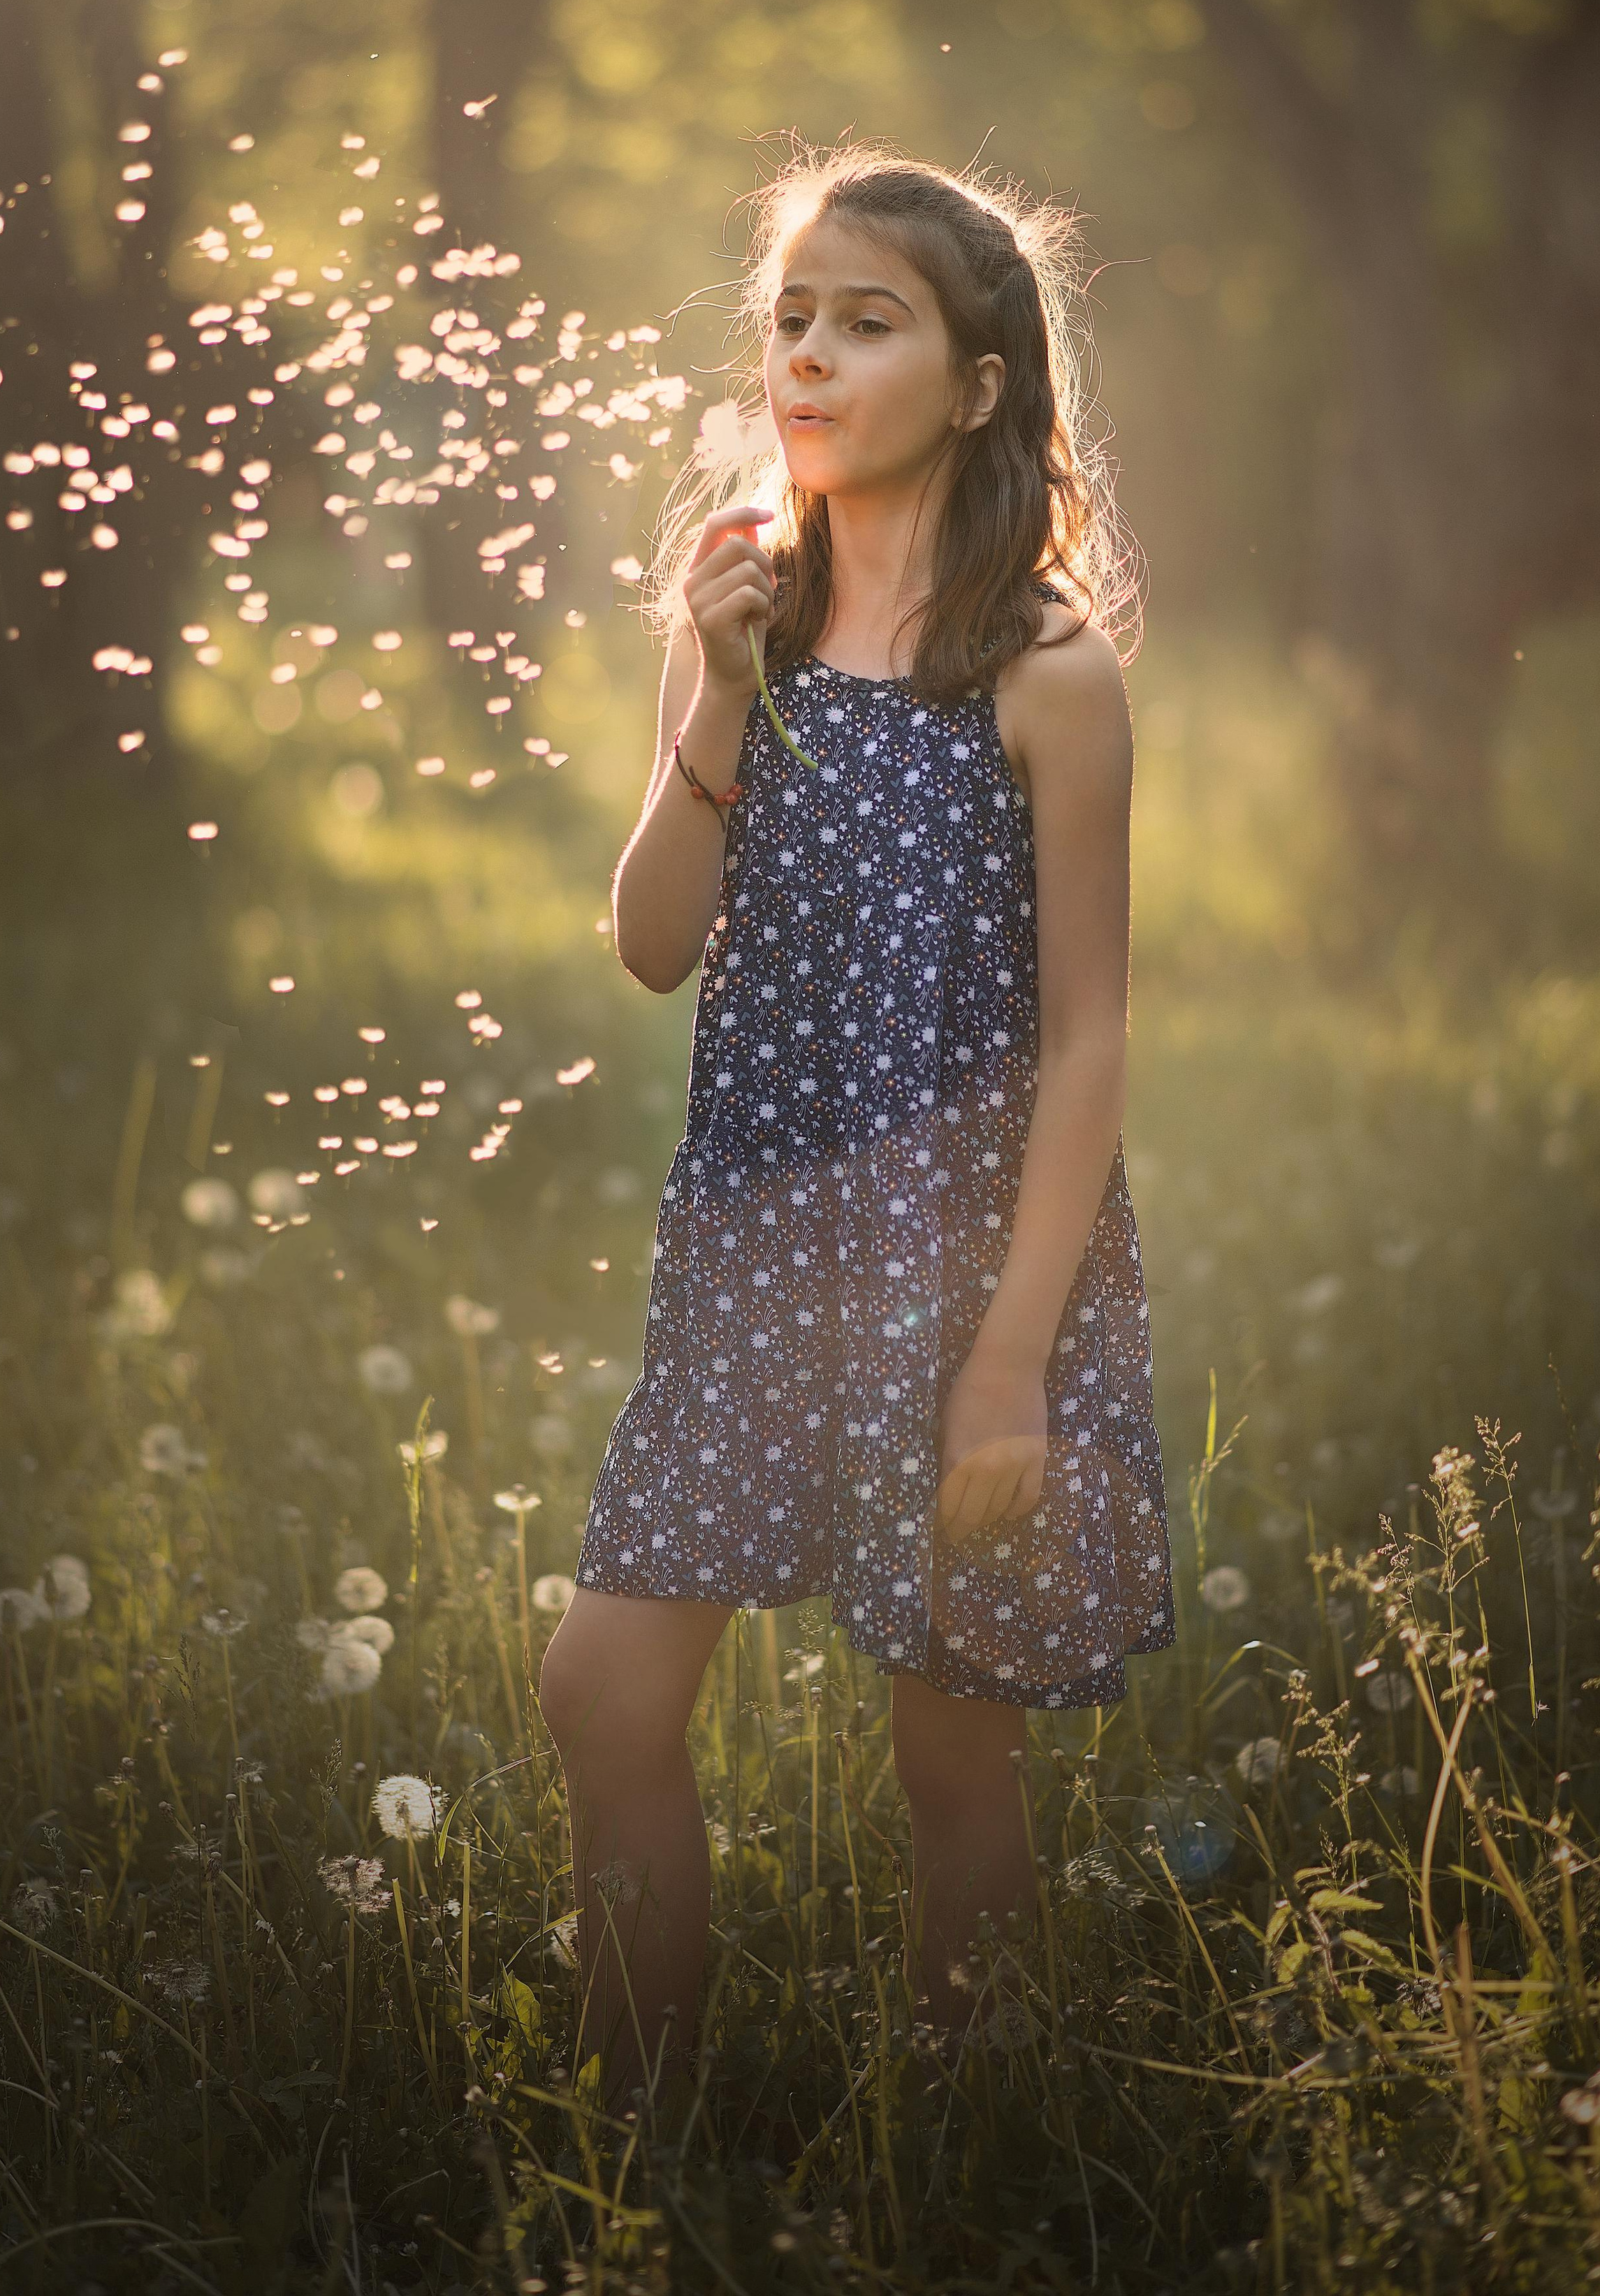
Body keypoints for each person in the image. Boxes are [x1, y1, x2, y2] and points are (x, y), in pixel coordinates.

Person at [537, 142, 1175, 2107]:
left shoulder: (1045, 674)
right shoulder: (736, 623)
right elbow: (654, 944)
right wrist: (717, 696)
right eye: (791, 317)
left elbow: (1089, 1043)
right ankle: (633, 2140)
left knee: (949, 1752)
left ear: (978, 386)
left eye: (867, 322)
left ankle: (963, 2158)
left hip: (967, 1277)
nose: (807, 354)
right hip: (755, 1254)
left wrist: (1010, 1363)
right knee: (602, 1691)